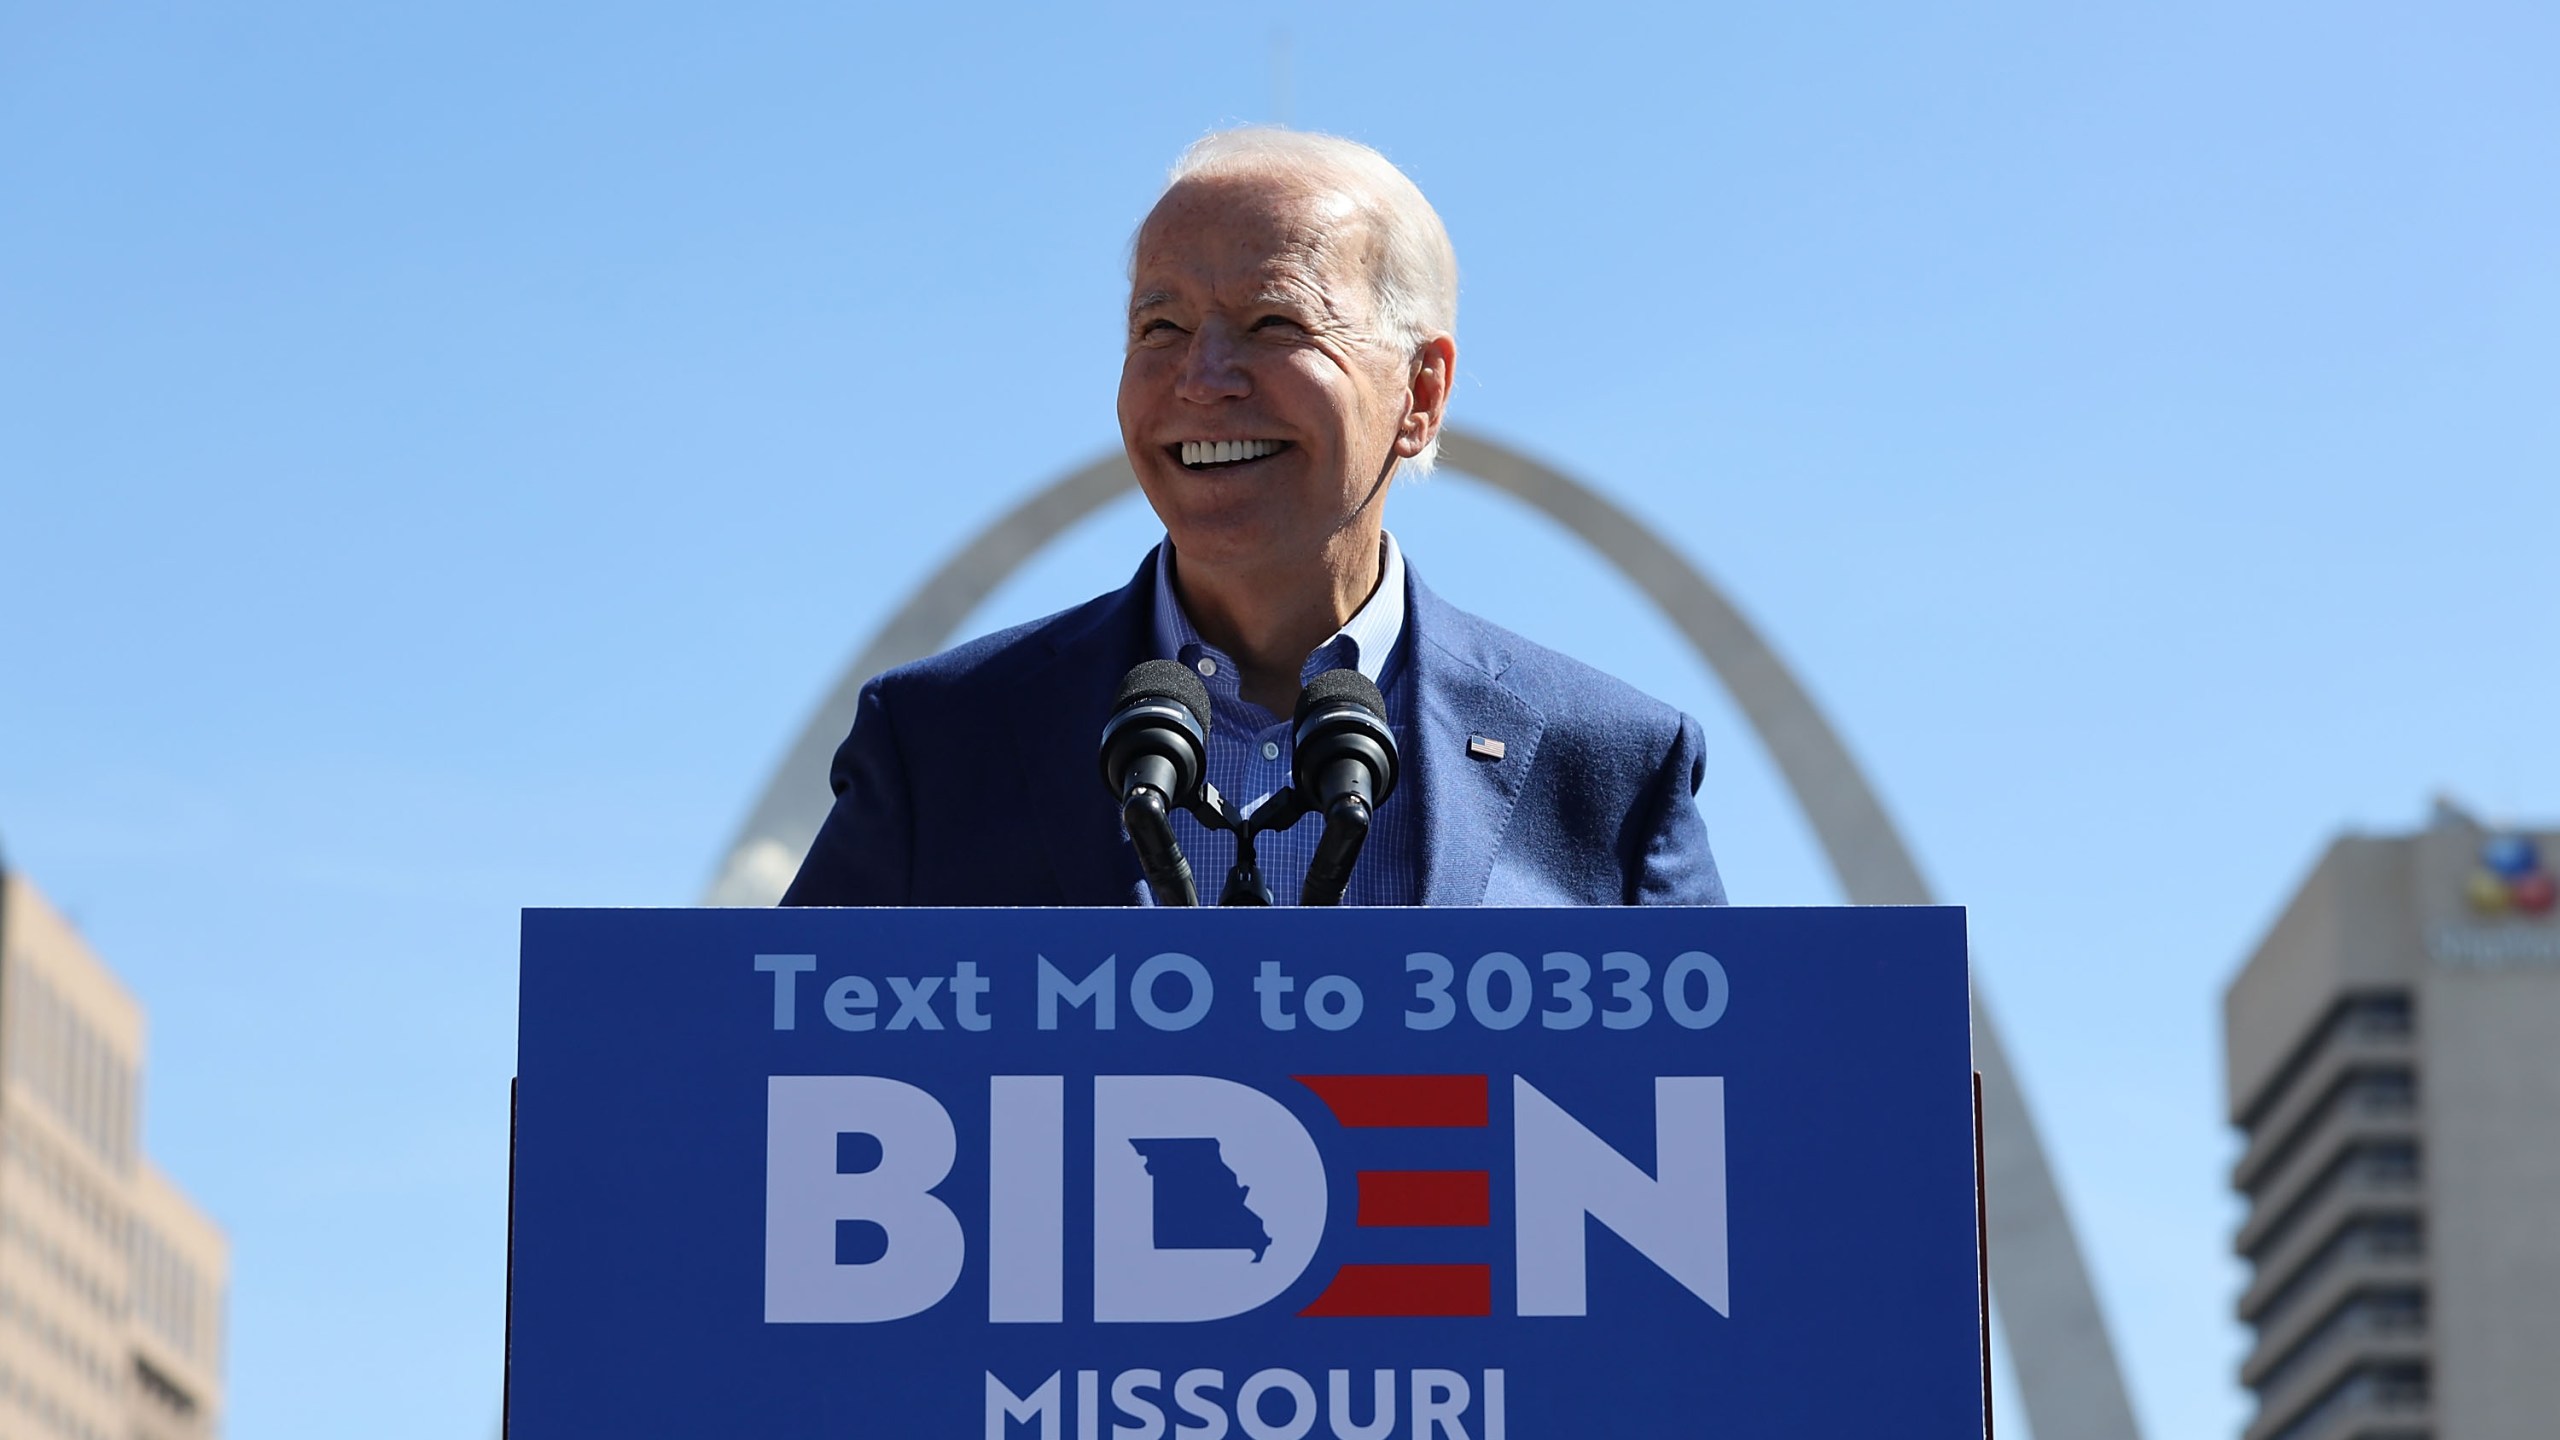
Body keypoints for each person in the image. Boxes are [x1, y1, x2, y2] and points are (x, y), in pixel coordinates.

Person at [783, 128, 1724, 907]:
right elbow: (776, 1058)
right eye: (1161, 328)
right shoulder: (935, 745)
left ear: (1421, 392)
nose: (1203, 379)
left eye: (1275, 323)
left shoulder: (1616, 769)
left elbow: (1722, 1071)